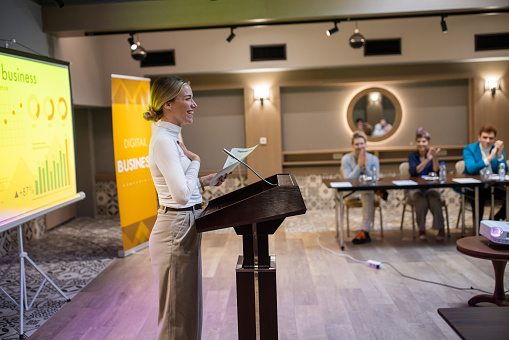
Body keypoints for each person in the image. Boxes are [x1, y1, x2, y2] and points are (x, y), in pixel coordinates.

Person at [143, 76, 228, 340]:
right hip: (174, 229)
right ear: (168, 103)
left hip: (185, 224)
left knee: (187, 309)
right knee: (175, 316)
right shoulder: (163, 142)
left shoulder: (173, 137)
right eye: (188, 98)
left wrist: (203, 182)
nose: (194, 104)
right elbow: (179, 196)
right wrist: (196, 163)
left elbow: (179, 187)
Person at [341, 130, 380, 244]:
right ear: (352, 145)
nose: (360, 146)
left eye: (362, 143)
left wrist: (366, 167)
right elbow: (348, 180)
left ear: (366, 144)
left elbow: (375, 179)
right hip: (350, 193)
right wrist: (358, 166)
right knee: (366, 193)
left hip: (366, 192)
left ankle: (365, 231)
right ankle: (364, 231)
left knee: (367, 194)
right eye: (357, 144)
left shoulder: (373, 159)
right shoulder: (346, 159)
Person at [407, 128, 445, 241]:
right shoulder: (412, 156)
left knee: (434, 198)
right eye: (418, 141)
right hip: (416, 188)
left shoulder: (432, 154)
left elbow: (436, 170)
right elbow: (414, 171)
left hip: (430, 187)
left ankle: (441, 228)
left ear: (428, 142)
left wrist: (433, 158)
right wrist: (427, 159)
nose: (421, 144)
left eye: (423, 141)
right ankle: (421, 229)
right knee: (420, 200)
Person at [463, 124, 507, 222]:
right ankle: (478, 230)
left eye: (491, 138)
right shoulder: (470, 149)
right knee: (479, 197)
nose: (488, 141)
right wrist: (489, 158)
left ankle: (494, 220)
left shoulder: (496, 148)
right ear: (479, 137)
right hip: (474, 187)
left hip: (493, 186)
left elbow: (504, 171)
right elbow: (471, 169)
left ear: (494, 139)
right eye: (485, 137)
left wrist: (500, 155)